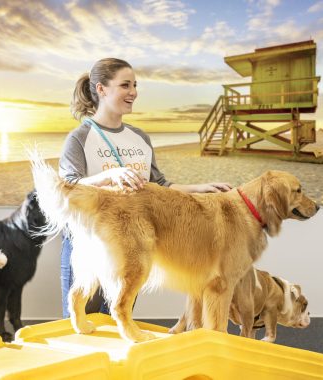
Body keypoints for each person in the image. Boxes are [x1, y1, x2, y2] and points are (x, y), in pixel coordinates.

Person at [58, 58, 231, 318]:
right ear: (101, 89)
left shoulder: (140, 138)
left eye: (135, 85)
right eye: (125, 85)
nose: (133, 92)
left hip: (131, 243)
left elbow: (159, 186)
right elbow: (67, 186)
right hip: (88, 244)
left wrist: (200, 188)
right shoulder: (79, 137)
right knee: (83, 322)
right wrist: (109, 176)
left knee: (119, 319)